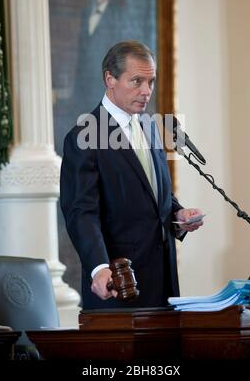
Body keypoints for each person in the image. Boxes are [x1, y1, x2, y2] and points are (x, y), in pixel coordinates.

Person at [60, 40, 204, 309]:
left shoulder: (149, 126)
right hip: (119, 285)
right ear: (110, 79)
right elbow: (81, 211)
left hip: (164, 282)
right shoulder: (84, 136)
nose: (146, 91)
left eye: (151, 82)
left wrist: (177, 214)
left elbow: (152, 193)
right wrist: (99, 268)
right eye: (136, 81)